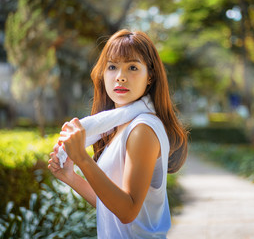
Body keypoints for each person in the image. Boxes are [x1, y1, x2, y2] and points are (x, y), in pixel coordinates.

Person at [48, 29, 188, 238]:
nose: (120, 77)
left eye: (132, 67)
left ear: (150, 77)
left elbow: (127, 211)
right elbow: (110, 206)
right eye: (112, 67)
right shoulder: (119, 126)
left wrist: (82, 159)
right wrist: (71, 178)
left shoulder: (143, 129)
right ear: (103, 74)